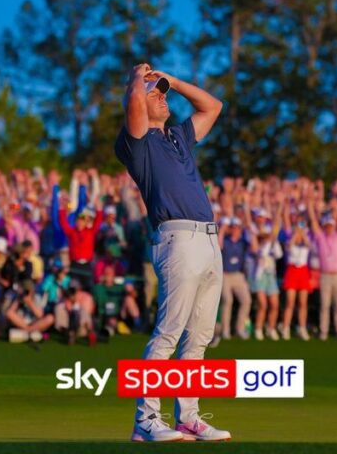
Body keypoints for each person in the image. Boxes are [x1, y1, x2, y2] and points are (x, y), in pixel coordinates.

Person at [115, 62, 228, 442]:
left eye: (163, 93)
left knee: (198, 338)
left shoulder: (179, 136)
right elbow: (133, 101)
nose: (161, 97)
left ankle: (188, 418)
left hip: (209, 241)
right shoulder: (136, 144)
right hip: (176, 239)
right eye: (155, 93)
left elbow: (213, 107)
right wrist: (137, 79)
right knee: (168, 333)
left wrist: (172, 81)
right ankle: (146, 420)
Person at [307, 188, 337, 342]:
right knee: (324, 305)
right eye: (328, 226)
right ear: (325, 226)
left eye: (332, 225)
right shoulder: (320, 238)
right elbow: (313, 221)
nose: (330, 228)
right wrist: (310, 205)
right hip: (325, 275)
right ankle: (324, 331)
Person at [218, 217, 252, 340]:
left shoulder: (243, 242)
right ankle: (225, 330)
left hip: (238, 274)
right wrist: (222, 229)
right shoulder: (225, 240)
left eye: (237, 227)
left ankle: (240, 328)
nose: (235, 230)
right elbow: (219, 245)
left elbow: (254, 247)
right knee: (228, 300)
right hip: (225, 274)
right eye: (233, 227)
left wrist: (249, 229)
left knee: (246, 300)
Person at [249, 215, 282, 341]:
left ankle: (271, 328)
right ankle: (258, 328)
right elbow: (260, 253)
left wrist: (273, 241)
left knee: (274, 304)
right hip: (260, 276)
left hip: (270, 276)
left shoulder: (273, 244)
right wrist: (269, 241)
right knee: (262, 304)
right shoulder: (259, 245)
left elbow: (279, 254)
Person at [280, 216, 313, 341]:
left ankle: (302, 327)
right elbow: (289, 246)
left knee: (303, 303)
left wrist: (302, 233)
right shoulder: (290, 240)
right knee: (290, 302)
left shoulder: (306, 241)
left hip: (303, 271)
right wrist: (296, 233)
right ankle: (285, 328)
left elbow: (309, 245)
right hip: (292, 271)